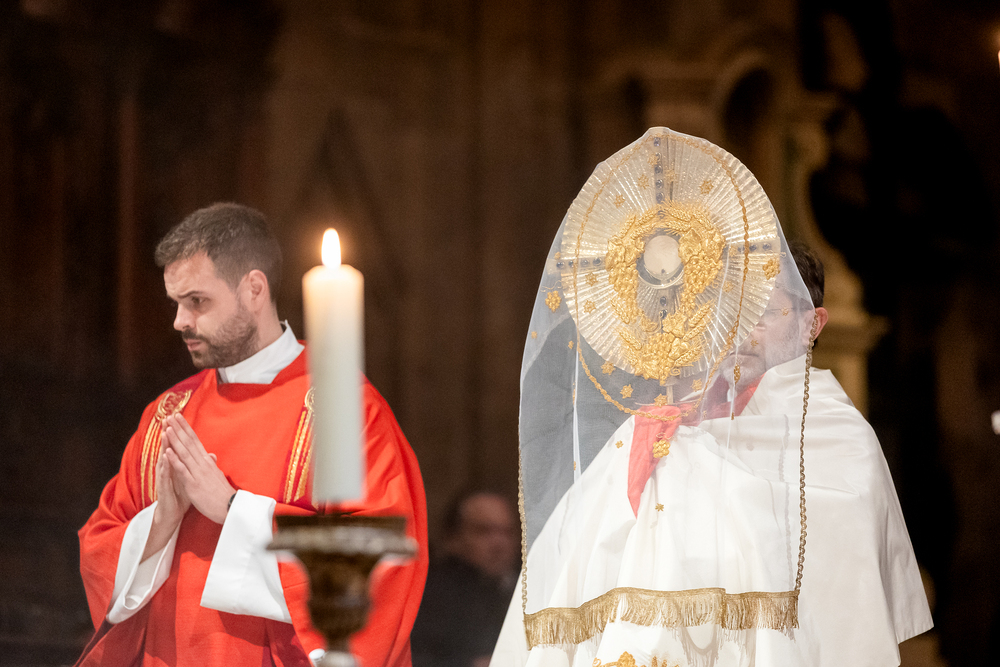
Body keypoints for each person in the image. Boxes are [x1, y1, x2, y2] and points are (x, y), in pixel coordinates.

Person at [490, 128, 931, 666]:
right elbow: (585, 548)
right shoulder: (675, 423)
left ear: (812, 324)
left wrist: (693, 466)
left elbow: (835, 561)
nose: (742, 329)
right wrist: (650, 461)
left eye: (764, 312)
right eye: (733, 310)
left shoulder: (836, 434)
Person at [75, 203, 428, 667]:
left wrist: (230, 509)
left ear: (254, 289)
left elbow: (380, 566)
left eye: (197, 301)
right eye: (176, 303)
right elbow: (99, 549)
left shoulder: (343, 408)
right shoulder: (168, 413)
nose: (180, 321)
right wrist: (161, 522)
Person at [411, 491, 519, 667]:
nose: (499, 544)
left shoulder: (523, 589)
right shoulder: (428, 594)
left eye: (507, 532)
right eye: (483, 531)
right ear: (453, 538)